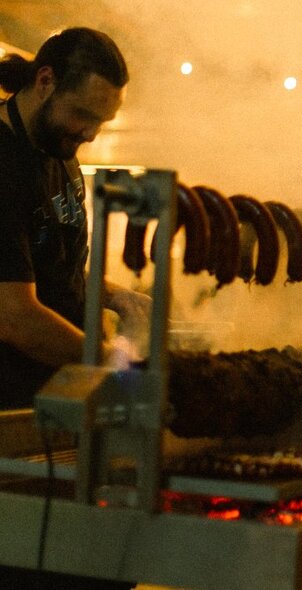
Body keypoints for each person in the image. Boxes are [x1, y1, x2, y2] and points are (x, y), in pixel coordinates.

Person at [0, 27, 148, 590]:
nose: (88, 133)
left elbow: (53, 262)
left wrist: (111, 294)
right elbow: (12, 313)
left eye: (100, 123)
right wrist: (108, 361)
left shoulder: (59, 154)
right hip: (14, 427)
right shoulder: (3, 165)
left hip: (63, 418)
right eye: (82, 114)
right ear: (45, 81)